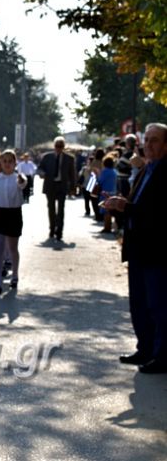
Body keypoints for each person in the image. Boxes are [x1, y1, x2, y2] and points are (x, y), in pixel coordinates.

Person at [104, 123, 167, 374]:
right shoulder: (145, 168)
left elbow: (158, 214)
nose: (148, 145)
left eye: (154, 140)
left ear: (165, 145)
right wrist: (118, 207)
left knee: (158, 305)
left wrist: (125, 207)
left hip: (157, 251)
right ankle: (145, 348)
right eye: (147, 140)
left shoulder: (165, 172)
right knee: (139, 303)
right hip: (138, 248)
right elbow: (136, 205)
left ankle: (161, 356)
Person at [0, 150, 26, 294]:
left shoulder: (19, 178)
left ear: (15, 163)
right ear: (0, 163)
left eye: (10, 161)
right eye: (5, 161)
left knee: (12, 247)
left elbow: (23, 184)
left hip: (13, 213)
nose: (7, 164)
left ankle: (14, 275)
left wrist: (22, 180)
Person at [37, 136, 77, 241]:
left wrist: (73, 188)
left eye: (61, 146)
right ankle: (52, 228)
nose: (59, 148)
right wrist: (42, 173)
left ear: (64, 147)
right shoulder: (47, 157)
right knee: (51, 208)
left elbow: (72, 174)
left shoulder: (69, 158)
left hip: (62, 186)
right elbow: (40, 168)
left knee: (61, 209)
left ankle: (59, 231)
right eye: (57, 146)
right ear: (54, 146)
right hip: (50, 185)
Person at [96, 156, 117, 233]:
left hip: (105, 193)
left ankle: (107, 227)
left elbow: (100, 181)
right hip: (113, 192)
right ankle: (108, 226)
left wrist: (97, 174)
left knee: (106, 211)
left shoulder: (105, 171)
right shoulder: (114, 171)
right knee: (110, 210)